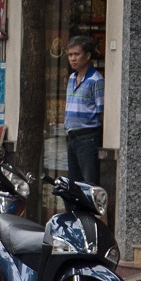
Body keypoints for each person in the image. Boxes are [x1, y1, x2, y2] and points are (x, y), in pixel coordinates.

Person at [64, 35, 104, 186]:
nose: (73, 58)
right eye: (70, 55)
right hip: (72, 137)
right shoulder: (71, 78)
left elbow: (101, 111)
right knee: (74, 184)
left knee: (89, 183)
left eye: (76, 54)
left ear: (87, 56)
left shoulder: (96, 80)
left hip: (87, 138)